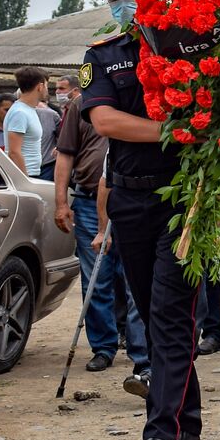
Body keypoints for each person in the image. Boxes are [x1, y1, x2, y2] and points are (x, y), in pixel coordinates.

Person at [81, 0, 200, 440]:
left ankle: (160, 434)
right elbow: (105, 120)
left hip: (184, 199)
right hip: (129, 200)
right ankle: (188, 426)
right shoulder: (103, 55)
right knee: (155, 318)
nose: (125, 4)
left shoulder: (189, 45)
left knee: (171, 315)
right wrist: (175, 132)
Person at [54, 81, 149, 377]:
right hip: (87, 197)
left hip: (136, 195)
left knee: (138, 280)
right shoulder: (83, 104)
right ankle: (103, 346)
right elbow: (65, 153)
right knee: (97, 275)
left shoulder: (141, 93)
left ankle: (142, 354)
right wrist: (61, 202)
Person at [4, 67, 46, 177]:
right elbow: (14, 152)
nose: (47, 89)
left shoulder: (28, 109)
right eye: (46, 85)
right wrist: (25, 181)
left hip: (31, 173)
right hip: (24, 175)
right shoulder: (20, 112)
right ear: (40, 87)